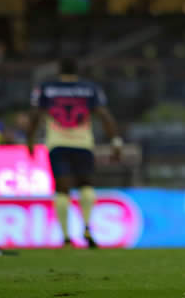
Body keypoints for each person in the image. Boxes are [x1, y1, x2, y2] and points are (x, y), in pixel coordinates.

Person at [27, 58, 122, 248]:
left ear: (58, 69)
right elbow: (104, 115)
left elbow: (36, 115)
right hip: (83, 144)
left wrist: (30, 140)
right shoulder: (90, 88)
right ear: (78, 70)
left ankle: (65, 237)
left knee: (62, 189)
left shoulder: (46, 87)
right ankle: (87, 226)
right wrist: (116, 141)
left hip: (57, 143)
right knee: (86, 185)